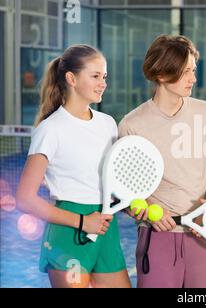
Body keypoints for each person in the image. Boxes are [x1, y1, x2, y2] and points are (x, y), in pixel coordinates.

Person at [119, 35, 206, 288]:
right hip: (157, 237)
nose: (193, 79)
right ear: (161, 74)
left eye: (193, 70)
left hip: (204, 233)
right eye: (185, 72)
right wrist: (148, 209)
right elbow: (127, 191)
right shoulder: (131, 124)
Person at [16, 45, 131, 288]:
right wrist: (82, 222)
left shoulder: (108, 124)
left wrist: (129, 204)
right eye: (95, 76)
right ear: (71, 79)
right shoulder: (50, 129)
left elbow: (109, 181)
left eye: (105, 77)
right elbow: (25, 199)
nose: (103, 83)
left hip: (106, 228)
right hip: (68, 234)